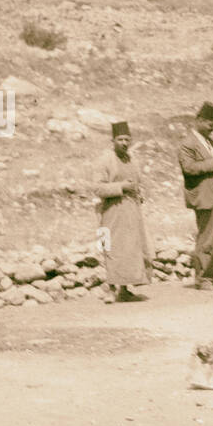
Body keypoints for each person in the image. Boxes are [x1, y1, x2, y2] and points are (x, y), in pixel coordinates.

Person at [94, 121, 153, 303]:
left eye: (127, 139)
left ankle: (125, 289)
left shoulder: (132, 160)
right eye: (120, 139)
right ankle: (111, 290)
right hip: (112, 211)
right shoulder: (105, 160)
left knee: (131, 249)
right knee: (113, 249)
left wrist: (139, 192)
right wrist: (121, 186)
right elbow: (97, 188)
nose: (124, 143)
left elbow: (138, 182)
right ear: (113, 140)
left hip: (131, 210)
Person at [177, 102, 213, 290]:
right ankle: (203, 278)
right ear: (199, 121)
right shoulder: (188, 143)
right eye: (210, 123)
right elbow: (189, 168)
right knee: (207, 235)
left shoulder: (210, 143)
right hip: (206, 194)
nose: (212, 127)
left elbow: (212, 165)